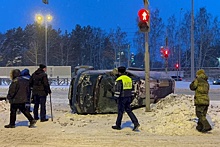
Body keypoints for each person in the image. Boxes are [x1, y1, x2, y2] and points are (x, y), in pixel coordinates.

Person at [112, 66, 140, 131]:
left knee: (120, 111)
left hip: (122, 97)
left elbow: (118, 90)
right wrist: (132, 97)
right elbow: (132, 89)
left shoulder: (119, 79)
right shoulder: (129, 79)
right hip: (128, 97)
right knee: (129, 110)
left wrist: (116, 98)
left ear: (119, 72)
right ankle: (135, 122)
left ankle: (118, 125)